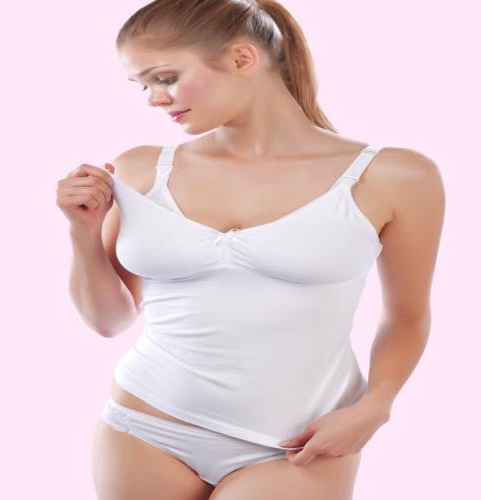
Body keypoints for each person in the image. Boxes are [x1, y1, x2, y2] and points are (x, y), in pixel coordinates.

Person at [56, 1, 445, 499]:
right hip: (145, 427)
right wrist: (82, 232)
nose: (154, 99)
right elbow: (109, 321)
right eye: (143, 86)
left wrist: (376, 406)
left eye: (166, 78)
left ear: (243, 59)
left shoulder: (394, 176)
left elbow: (407, 316)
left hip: (297, 445)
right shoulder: (140, 169)